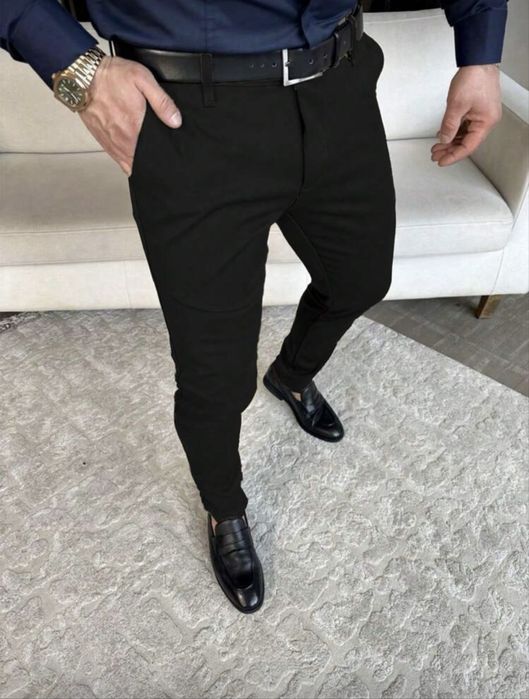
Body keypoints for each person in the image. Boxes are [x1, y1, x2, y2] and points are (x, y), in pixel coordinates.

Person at [1, 0, 507, 614]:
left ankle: (291, 374)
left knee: (360, 280)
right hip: (189, 113)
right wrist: (79, 71)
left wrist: (481, 52)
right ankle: (225, 509)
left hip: (337, 85)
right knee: (216, 376)